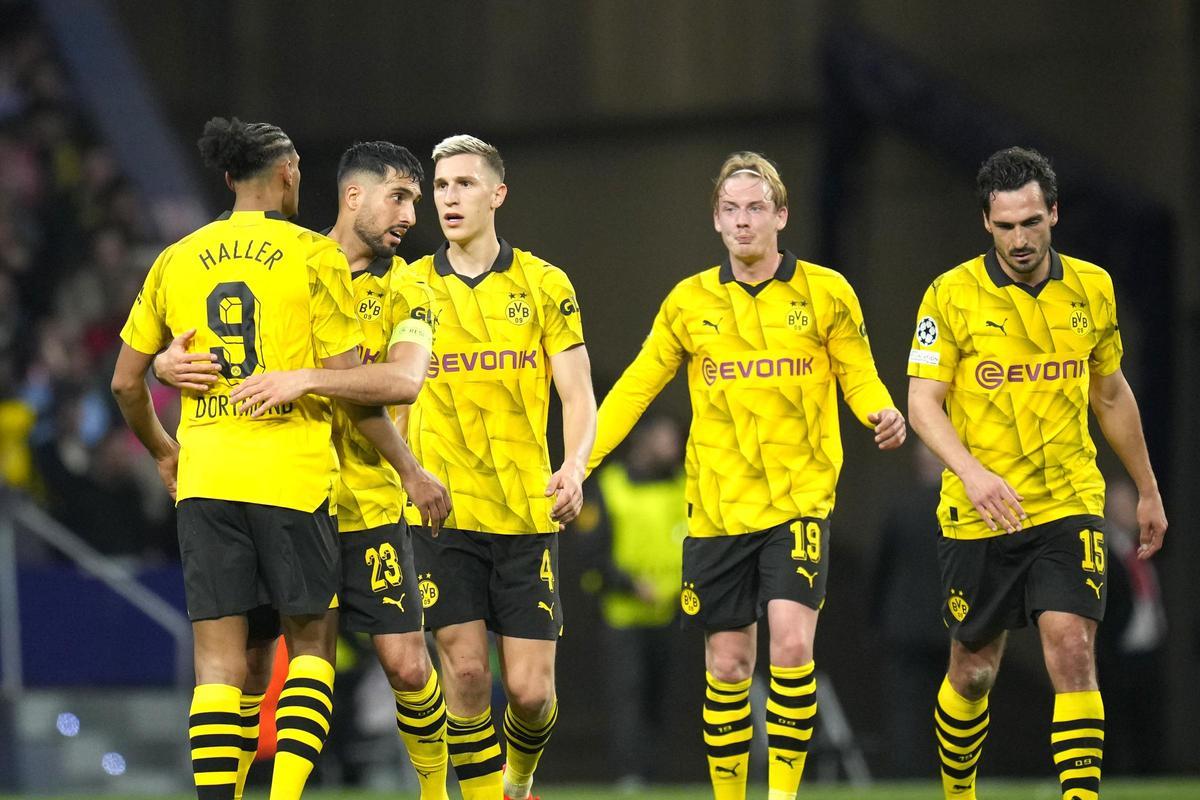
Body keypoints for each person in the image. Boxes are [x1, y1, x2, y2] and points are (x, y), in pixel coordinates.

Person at [111, 117, 419, 800]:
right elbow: (352, 387)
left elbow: (125, 382)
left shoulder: (177, 257)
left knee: (220, 667)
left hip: (207, 477)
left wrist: (164, 450)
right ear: (288, 173)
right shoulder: (315, 256)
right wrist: (409, 466)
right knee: (310, 649)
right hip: (291, 476)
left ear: (227, 176)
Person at [588, 152, 905, 800]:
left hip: (798, 503)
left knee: (790, 647)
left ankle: (783, 796)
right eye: (730, 209)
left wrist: (880, 410)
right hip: (716, 511)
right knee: (729, 665)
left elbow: (859, 372)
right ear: (715, 220)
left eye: (755, 207)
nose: (742, 220)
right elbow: (634, 390)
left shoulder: (827, 294)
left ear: (781, 215)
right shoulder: (689, 302)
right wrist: (577, 462)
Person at [906, 146, 1168, 800]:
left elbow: (1109, 394)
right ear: (986, 225)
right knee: (974, 673)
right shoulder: (951, 294)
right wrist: (970, 473)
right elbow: (921, 402)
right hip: (980, 511)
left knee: (1074, 650)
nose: (1020, 239)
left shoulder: (1092, 288)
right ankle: (958, 792)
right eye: (1006, 226)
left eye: (1031, 222)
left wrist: (1148, 489)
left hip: (1067, 503)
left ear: (1053, 213)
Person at [394, 134, 595, 800]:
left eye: (463, 184)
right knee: (470, 676)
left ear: (497, 194)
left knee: (533, 695)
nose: (448, 198)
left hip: (525, 513)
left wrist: (573, 466)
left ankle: (519, 781)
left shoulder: (544, 285)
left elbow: (576, 393)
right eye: (441, 187)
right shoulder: (411, 287)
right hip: (441, 515)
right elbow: (381, 384)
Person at [576, 413, 686, 788]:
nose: (673, 445)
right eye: (664, 436)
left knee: (664, 698)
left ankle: (659, 774)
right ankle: (631, 776)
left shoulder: (684, 486)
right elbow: (591, 556)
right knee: (629, 698)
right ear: (642, 438)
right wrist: (628, 585)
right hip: (625, 614)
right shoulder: (611, 487)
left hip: (672, 612)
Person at [867, 441, 947, 778]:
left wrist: (875, 621)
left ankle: (907, 773)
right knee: (958, 703)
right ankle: (955, 771)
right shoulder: (961, 510)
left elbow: (880, 570)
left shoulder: (901, 508)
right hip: (950, 625)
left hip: (903, 626)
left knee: (906, 708)